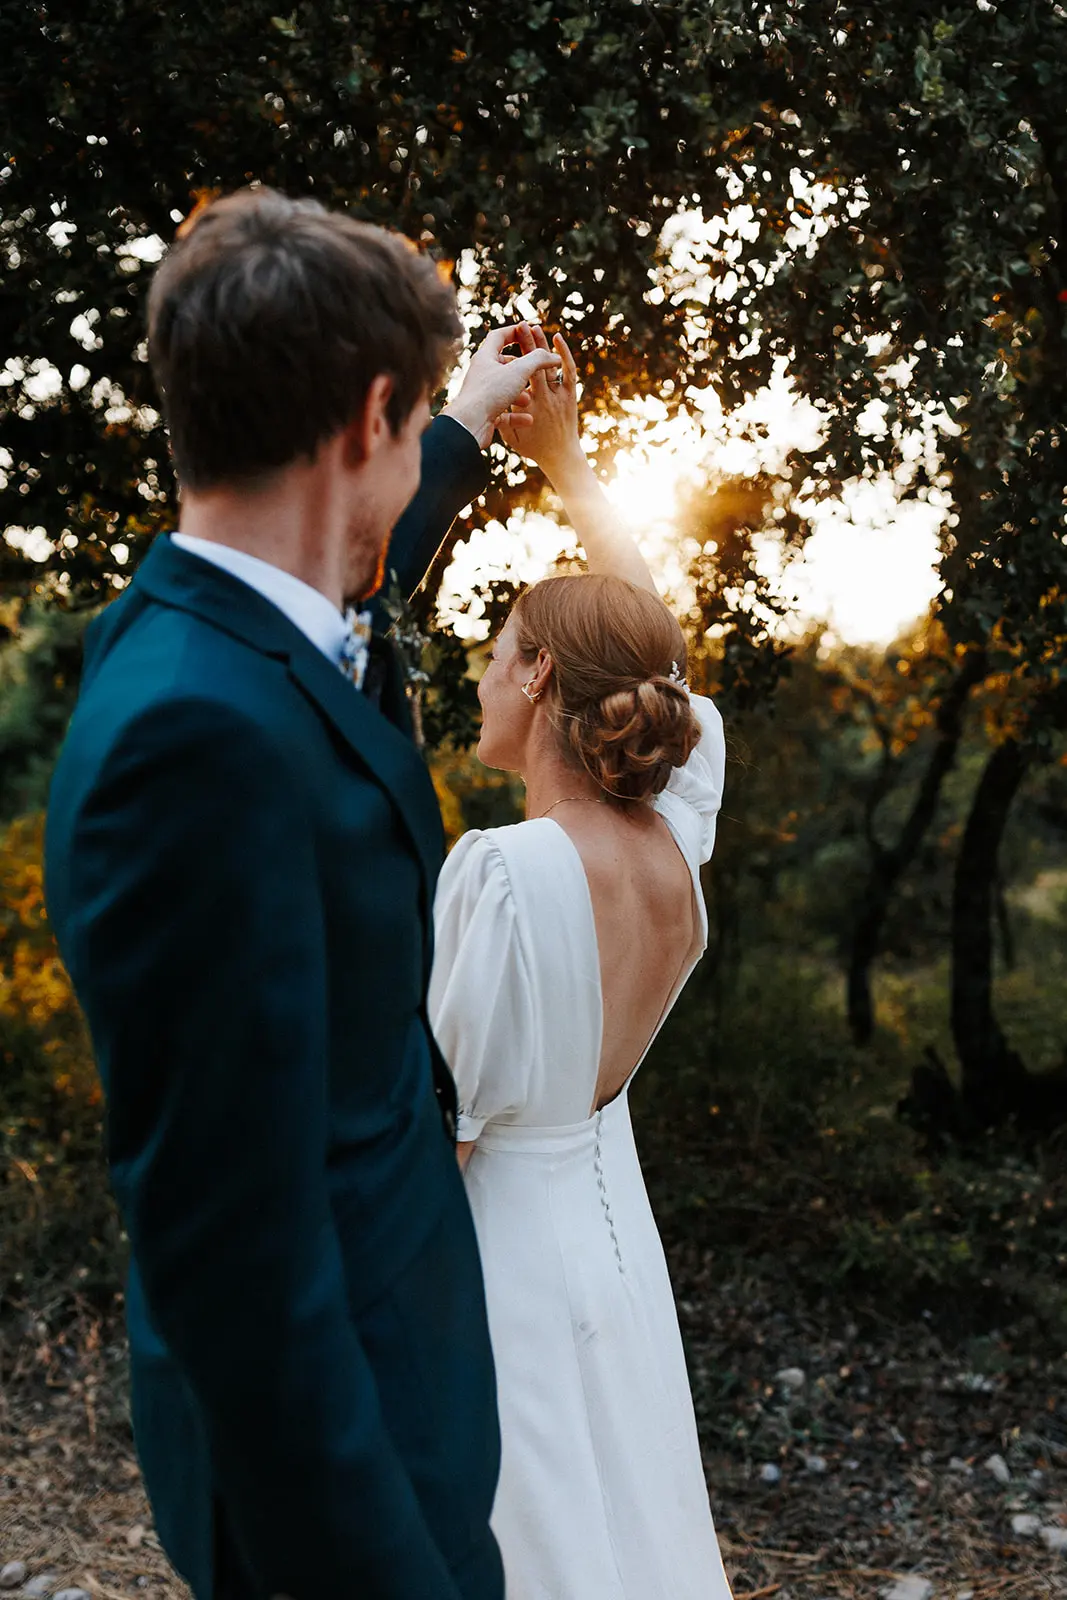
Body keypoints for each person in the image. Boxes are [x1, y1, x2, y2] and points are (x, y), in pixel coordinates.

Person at [44, 187, 560, 1600]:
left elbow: (337, 584)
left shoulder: (191, 631)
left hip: (392, 1412)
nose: (405, 473)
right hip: (341, 1493)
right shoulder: (191, 748)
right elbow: (236, 1266)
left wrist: (452, 430)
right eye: (402, 439)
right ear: (354, 426)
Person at [429, 328, 735, 1599]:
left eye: (497, 649)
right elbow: (656, 651)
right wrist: (566, 464)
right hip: (615, 1236)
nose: (479, 670)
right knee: (627, 1516)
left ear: (541, 670)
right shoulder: (676, 837)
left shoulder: (501, 873)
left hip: (497, 1253)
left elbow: (444, 1125)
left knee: (523, 1540)